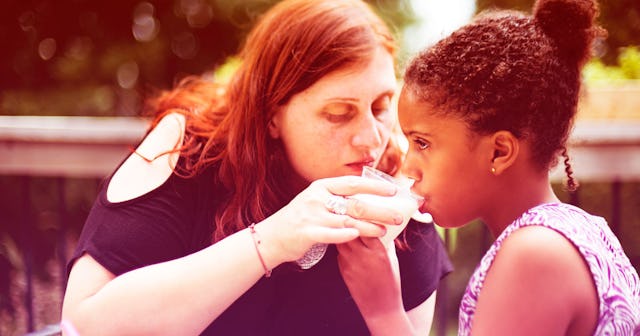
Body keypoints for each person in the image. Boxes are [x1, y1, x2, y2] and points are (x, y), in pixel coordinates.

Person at [60, 0, 452, 335]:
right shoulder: (190, 149)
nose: (372, 138)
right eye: (338, 113)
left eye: (381, 106)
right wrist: (272, 239)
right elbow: (81, 325)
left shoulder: (400, 195)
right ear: (271, 115)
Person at [392, 0, 640, 334]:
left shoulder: (533, 257)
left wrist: (383, 309)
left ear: (499, 152)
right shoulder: (584, 230)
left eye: (422, 143)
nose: (407, 167)